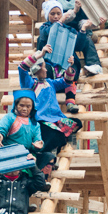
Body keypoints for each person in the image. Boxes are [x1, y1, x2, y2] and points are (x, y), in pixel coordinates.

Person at [18, 42, 83, 170]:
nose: (46, 69)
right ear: (37, 69)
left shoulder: (50, 83)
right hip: (40, 120)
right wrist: (40, 54)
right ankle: (47, 158)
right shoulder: (30, 83)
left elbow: (66, 81)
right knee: (54, 134)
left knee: (77, 123)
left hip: (56, 119)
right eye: (43, 67)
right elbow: (22, 68)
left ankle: (49, 156)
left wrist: (70, 67)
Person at [37, 0, 103, 76]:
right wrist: (60, 21)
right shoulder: (44, 28)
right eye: (52, 14)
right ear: (47, 16)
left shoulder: (69, 29)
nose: (56, 16)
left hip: (68, 64)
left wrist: (83, 29)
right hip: (49, 64)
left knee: (72, 72)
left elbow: (79, 46)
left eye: (59, 14)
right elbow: (50, 33)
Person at [0, 91, 53, 169]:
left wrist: (38, 144)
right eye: (21, 105)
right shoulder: (9, 117)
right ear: (16, 105)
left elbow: (37, 140)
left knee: (48, 157)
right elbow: (2, 128)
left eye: (28, 106)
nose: (24, 109)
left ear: (32, 107)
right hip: (9, 153)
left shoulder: (35, 124)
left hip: (26, 154)